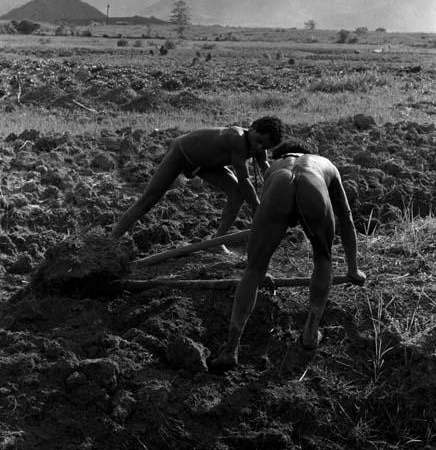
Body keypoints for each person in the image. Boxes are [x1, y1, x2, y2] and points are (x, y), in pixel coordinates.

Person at [210, 140, 366, 371]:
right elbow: (346, 218)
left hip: (278, 187)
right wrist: (353, 269)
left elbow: (270, 220)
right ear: (308, 153)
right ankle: (310, 333)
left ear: (282, 155)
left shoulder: (275, 167)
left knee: (253, 269)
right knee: (323, 257)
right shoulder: (324, 164)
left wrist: (262, 267)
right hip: (314, 185)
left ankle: (231, 349)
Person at [110, 116, 284, 250]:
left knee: (236, 193)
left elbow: (266, 171)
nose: (260, 148)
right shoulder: (236, 138)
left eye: (265, 147)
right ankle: (111, 240)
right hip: (182, 154)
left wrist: (279, 192)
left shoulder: (259, 148)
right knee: (148, 200)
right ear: (252, 129)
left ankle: (217, 242)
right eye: (259, 141)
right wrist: (258, 210)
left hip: (206, 165)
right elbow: (245, 179)